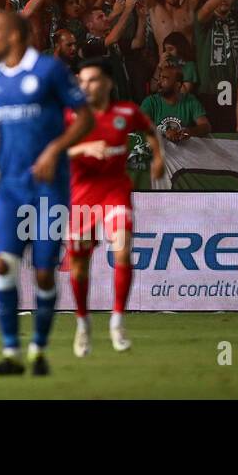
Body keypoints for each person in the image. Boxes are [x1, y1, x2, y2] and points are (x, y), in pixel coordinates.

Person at [0, 11, 94, 377]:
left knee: (42, 273)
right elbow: (9, 136)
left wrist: (54, 151)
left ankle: (38, 349)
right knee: (3, 265)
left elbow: (84, 118)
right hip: (10, 189)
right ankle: (10, 353)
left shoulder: (49, 70)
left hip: (48, 190)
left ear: (12, 35)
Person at [67, 60, 164, 358]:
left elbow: (150, 131)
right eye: (82, 81)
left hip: (114, 191)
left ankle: (117, 321)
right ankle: (83, 323)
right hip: (82, 195)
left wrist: (157, 157)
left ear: (108, 83)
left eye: (92, 80)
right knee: (79, 265)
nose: (86, 87)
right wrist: (83, 149)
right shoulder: (70, 115)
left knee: (122, 249)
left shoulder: (126, 112)